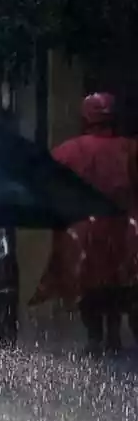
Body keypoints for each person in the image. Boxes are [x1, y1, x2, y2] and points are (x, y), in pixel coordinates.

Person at [36, 93, 138, 354]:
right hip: (123, 230)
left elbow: (47, 178)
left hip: (84, 231)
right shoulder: (129, 148)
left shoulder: (70, 149)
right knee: (118, 285)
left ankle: (94, 337)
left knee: (88, 285)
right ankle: (113, 335)